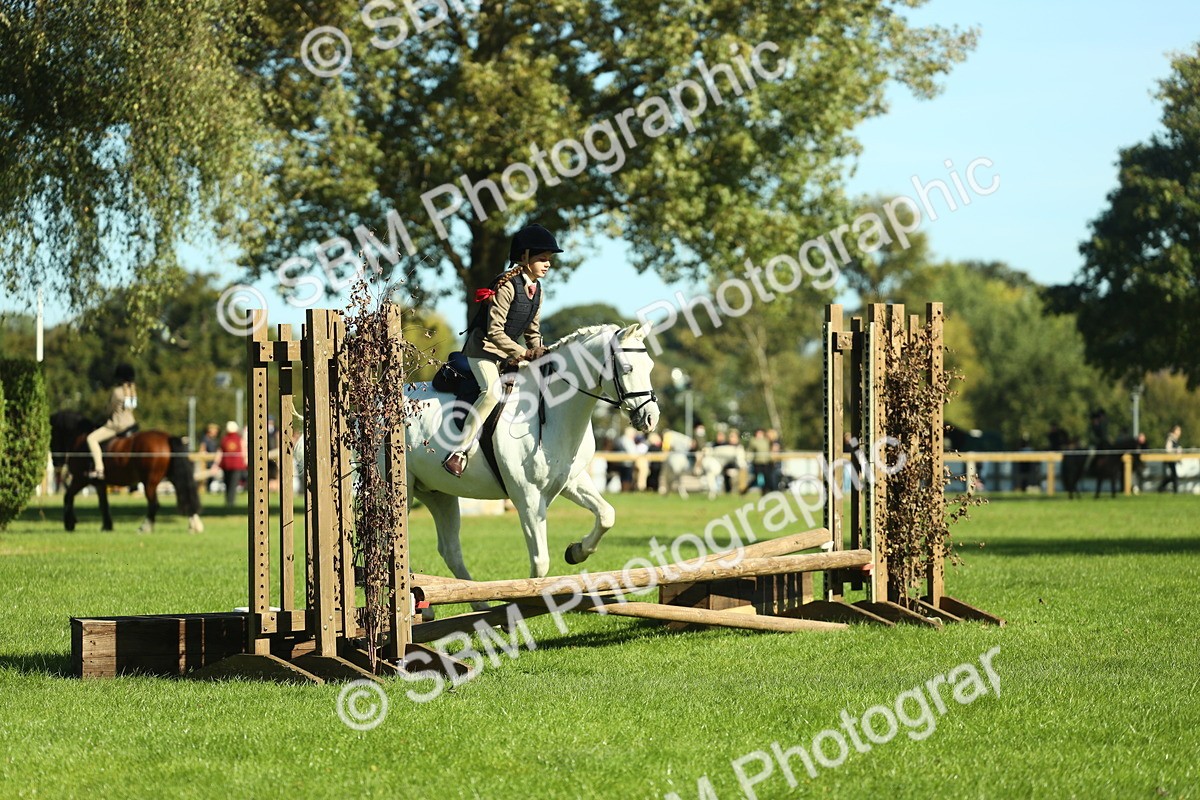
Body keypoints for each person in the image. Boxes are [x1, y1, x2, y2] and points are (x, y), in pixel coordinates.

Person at [444, 223, 559, 476]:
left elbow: (532, 331)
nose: (548, 264)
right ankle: (459, 451)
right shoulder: (507, 286)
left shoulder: (537, 290)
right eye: (543, 259)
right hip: (482, 351)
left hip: (508, 353)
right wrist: (525, 354)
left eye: (549, 260)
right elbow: (495, 332)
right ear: (526, 258)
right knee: (492, 392)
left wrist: (541, 353)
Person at [86, 363, 138, 480]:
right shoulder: (132, 391)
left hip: (117, 425)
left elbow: (109, 409)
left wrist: (102, 416)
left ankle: (99, 468)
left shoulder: (117, 392)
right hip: (131, 424)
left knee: (91, 439)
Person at [219, 421, 248, 507]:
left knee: (228, 484)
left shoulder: (224, 439)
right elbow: (244, 450)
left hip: (226, 465)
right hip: (237, 466)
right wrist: (245, 462)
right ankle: (230, 502)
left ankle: (229, 501)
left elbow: (220, 452)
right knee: (232, 484)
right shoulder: (239, 439)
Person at [743, 428, 770, 494]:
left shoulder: (766, 441)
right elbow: (750, 450)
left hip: (765, 462)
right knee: (756, 478)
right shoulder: (753, 441)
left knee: (766, 477)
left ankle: (764, 492)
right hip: (757, 462)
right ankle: (746, 489)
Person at [198, 422, 222, 493]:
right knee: (206, 478)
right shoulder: (205, 439)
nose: (216, 432)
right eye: (215, 430)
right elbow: (202, 449)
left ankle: (208, 490)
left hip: (213, 461)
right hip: (207, 462)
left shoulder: (213, 439)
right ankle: (205, 490)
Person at [1158, 425, 1182, 493]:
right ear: (1174, 431)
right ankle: (1175, 491)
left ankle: (1161, 488)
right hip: (1169, 459)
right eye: (1178, 430)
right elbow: (1168, 449)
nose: (1179, 432)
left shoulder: (1175, 439)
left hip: (1172, 459)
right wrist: (1176, 451)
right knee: (1174, 476)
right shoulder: (1171, 438)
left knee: (1173, 476)